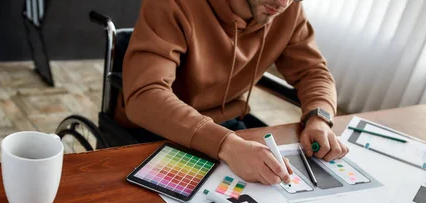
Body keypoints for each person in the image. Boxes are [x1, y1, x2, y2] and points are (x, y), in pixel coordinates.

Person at [118, 0, 348, 185]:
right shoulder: (172, 4)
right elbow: (144, 95)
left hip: (228, 125)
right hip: (157, 131)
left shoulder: (289, 9)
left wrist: (319, 118)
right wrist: (227, 145)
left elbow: (313, 71)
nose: (282, 4)